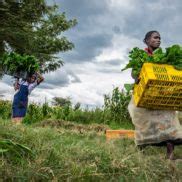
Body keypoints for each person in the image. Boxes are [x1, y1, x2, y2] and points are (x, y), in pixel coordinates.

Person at [128, 31, 182, 160]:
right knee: (143, 124)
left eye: (160, 38)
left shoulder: (164, 57)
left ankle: (170, 155)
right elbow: (134, 74)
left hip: (160, 94)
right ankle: (140, 154)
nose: (159, 40)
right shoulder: (141, 55)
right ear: (147, 41)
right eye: (155, 37)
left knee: (168, 121)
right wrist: (137, 77)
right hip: (145, 95)